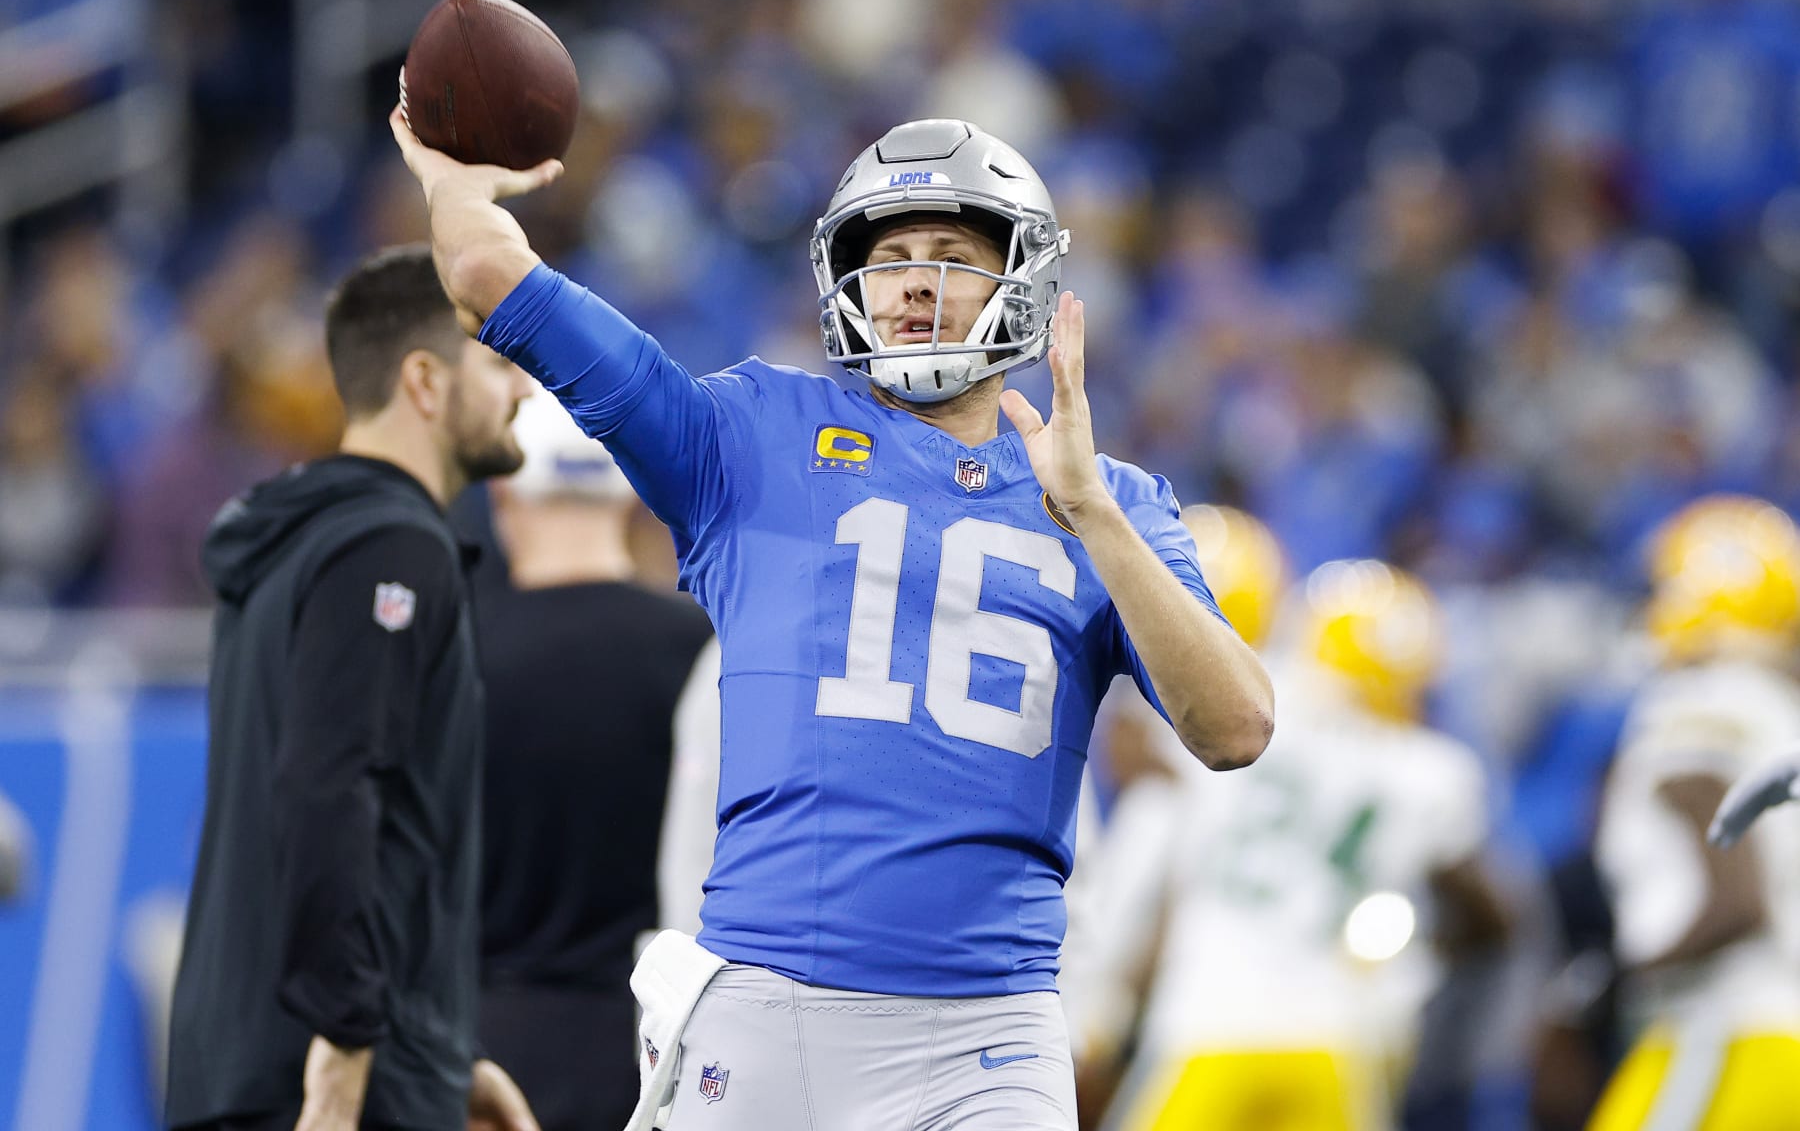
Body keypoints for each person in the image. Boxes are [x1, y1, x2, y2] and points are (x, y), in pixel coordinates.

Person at [391, 109, 1274, 1130]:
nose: (912, 281)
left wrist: (1094, 519)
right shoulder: (752, 436)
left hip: (990, 1031)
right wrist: (457, 185)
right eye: (889, 255)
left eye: (951, 254)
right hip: (770, 1011)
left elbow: (1237, 728)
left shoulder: (1115, 500)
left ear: (1021, 280)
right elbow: (491, 280)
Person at [165, 245, 539, 1131]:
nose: (525, 390)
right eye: (496, 362)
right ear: (424, 381)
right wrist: (351, 1052)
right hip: (325, 1088)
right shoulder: (387, 549)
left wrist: (440, 1059)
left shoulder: (301, 542)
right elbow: (329, 790)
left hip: (265, 1069)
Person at [1068, 522, 1509, 1131]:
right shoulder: (1429, 770)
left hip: (1212, 1023)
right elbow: (1494, 916)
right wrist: (1423, 954)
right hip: (1338, 1038)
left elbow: (1137, 753)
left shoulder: (1253, 707)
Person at [474, 384, 713, 1131]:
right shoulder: (702, 651)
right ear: (624, 500)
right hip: (650, 1052)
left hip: (482, 1053)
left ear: (505, 498)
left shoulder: (452, 654)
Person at [1588, 495, 1800, 1130]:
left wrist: (1616, 981)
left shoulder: (1697, 702)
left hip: (1721, 1030)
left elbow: (1736, 898)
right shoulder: (1778, 712)